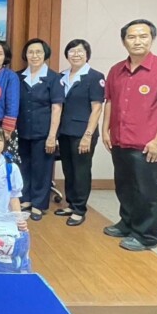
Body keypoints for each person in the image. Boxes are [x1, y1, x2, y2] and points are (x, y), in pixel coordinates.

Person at [102, 19, 157, 251]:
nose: (137, 41)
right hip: (120, 139)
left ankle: (146, 235)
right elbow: (110, 101)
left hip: (147, 144)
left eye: (143, 36)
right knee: (125, 186)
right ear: (124, 41)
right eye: (131, 37)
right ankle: (127, 223)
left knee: (146, 191)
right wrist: (105, 129)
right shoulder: (116, 70)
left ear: (152, 39)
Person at [55, 39, 105, 226]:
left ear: (87, 54)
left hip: (83, 132)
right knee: (68, 169)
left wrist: (88, 135)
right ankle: (71, 203)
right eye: (72, 51)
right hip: (65, 131)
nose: (75, 55)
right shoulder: (62, 76)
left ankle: (79, 209)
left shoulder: (94, 77)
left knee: (81, 170)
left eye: (80, 51)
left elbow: (97, 108)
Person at [17, 38, 64, 221]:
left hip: (44, 132)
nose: (34, 55)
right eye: (31, 52)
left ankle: (39, 203)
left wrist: (52, 136)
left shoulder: (53, 78)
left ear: (45, 55)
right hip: (22, 131)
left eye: (38, 52)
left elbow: (57, 108)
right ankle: (26, 199)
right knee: (23, 166)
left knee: (42, 168)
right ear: (25, 55)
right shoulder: (18, 77)